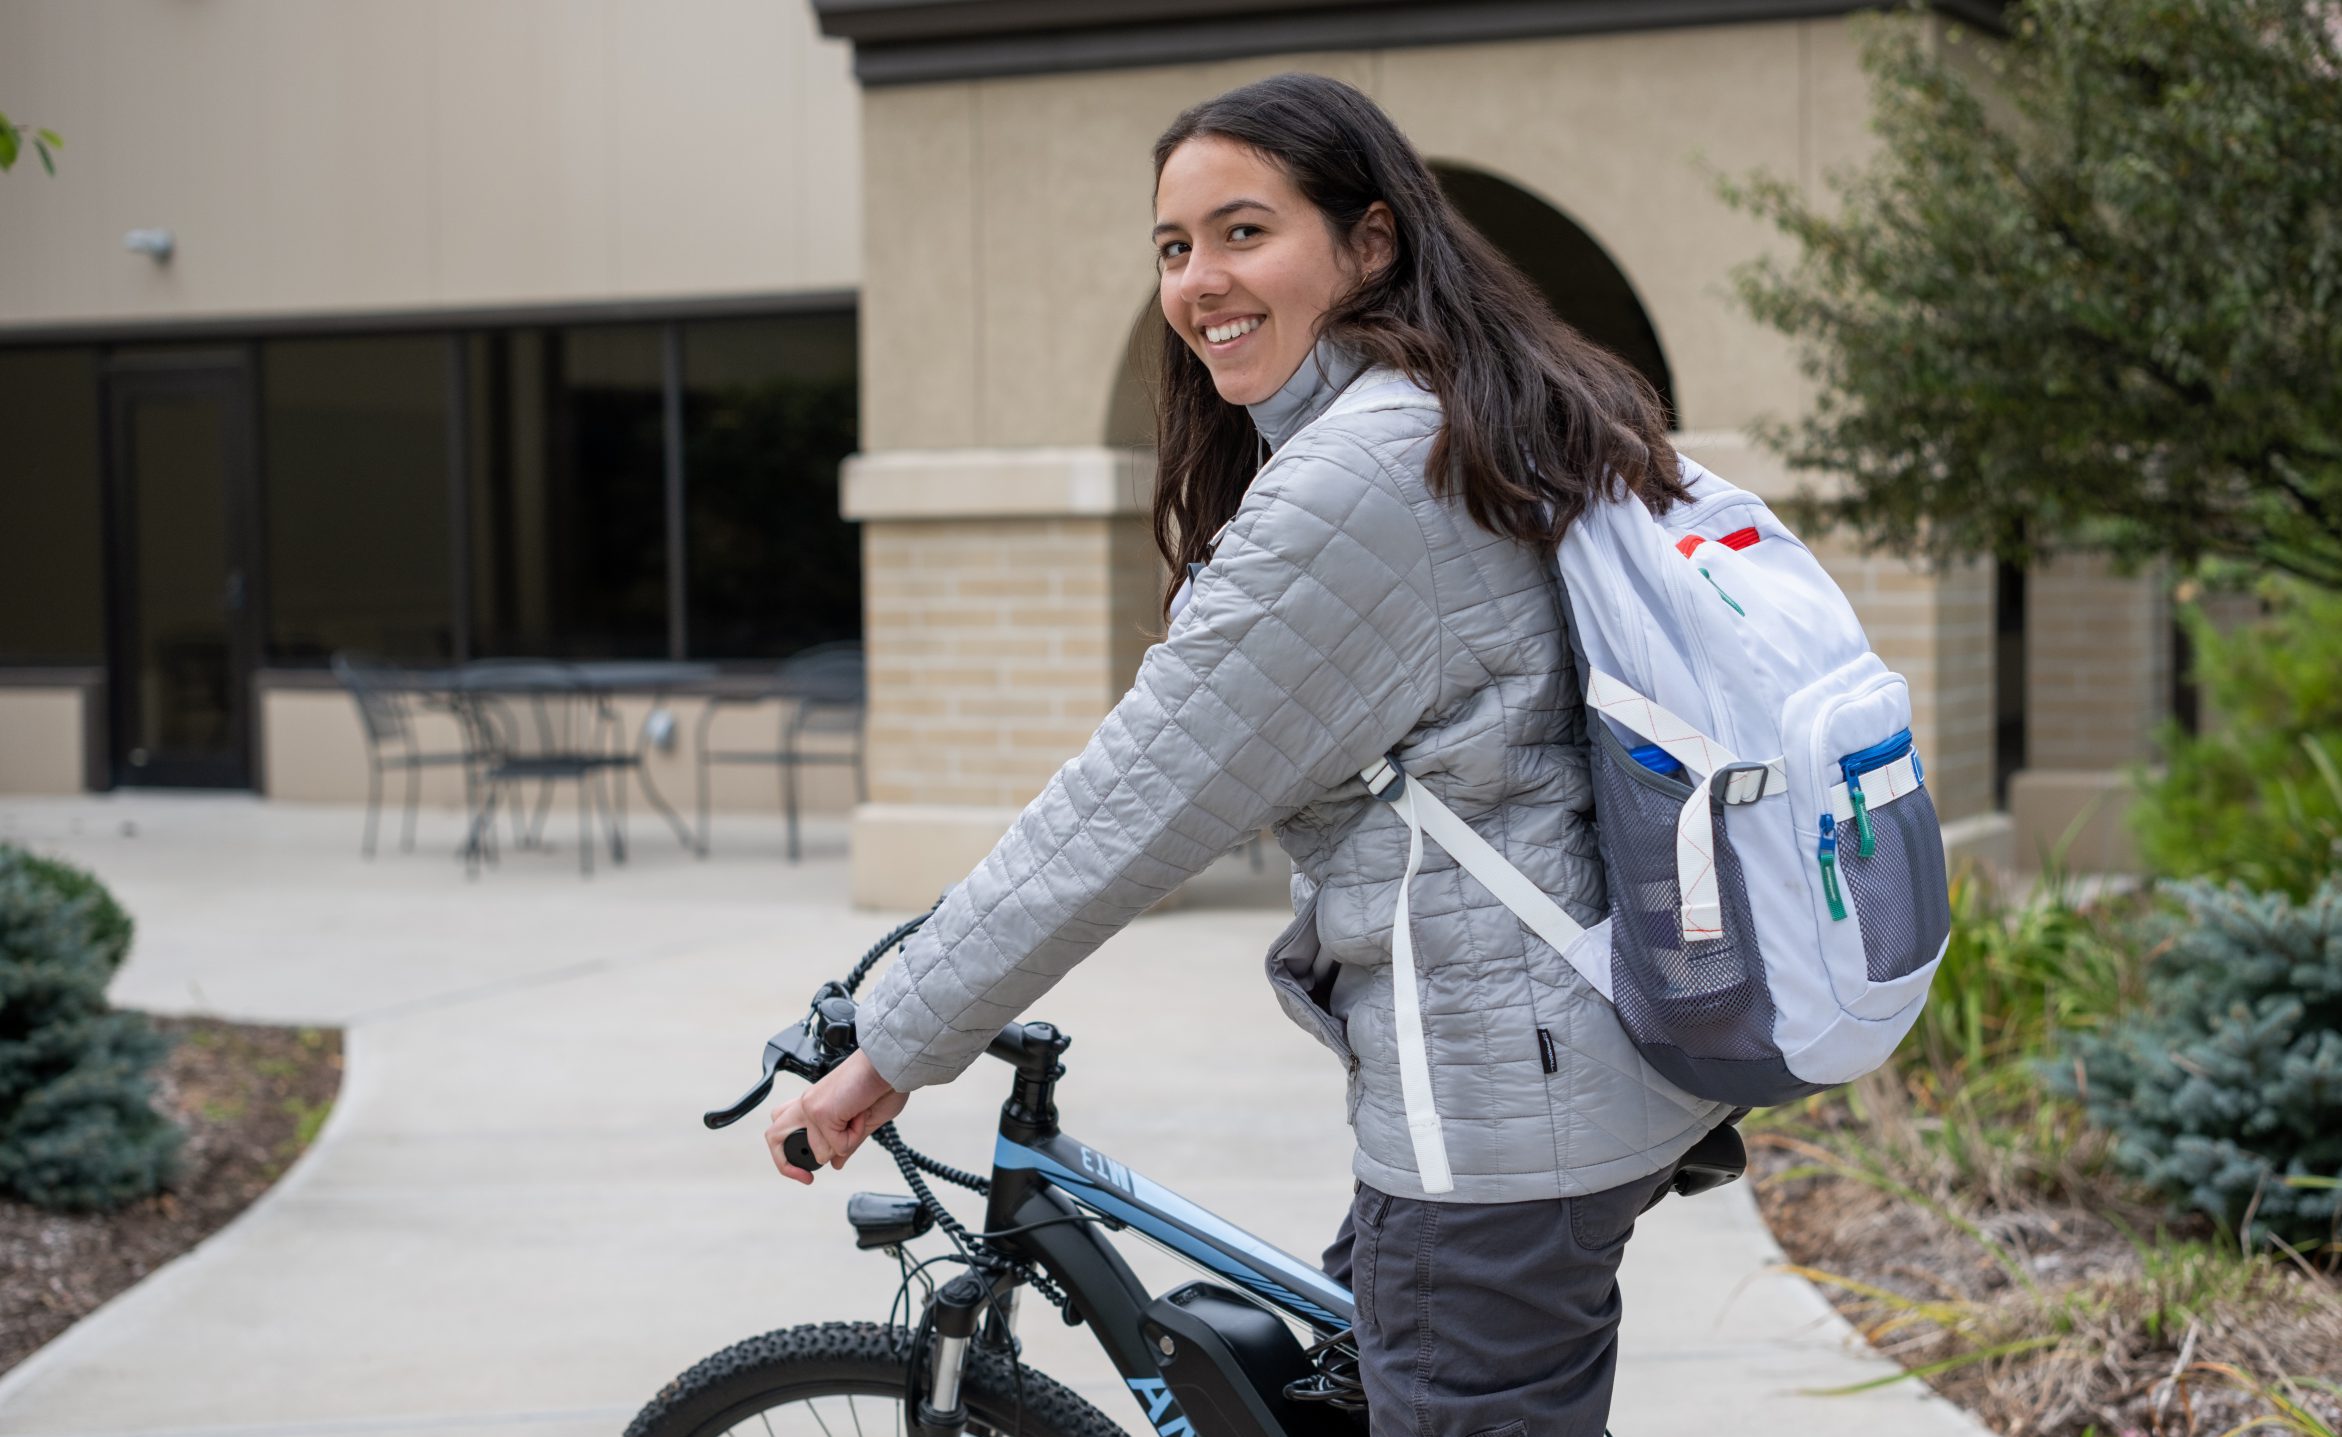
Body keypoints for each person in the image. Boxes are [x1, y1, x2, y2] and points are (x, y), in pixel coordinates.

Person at [763, 71, 1733, 1435]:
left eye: (1242, 231)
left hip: (1507, 1111)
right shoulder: (1452, 413)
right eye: (1172, 246)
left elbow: (1126, 806)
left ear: (1370, 241)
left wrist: (895, 1042)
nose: (1198, 279)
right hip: (1551, 1060)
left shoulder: (1362, 480)